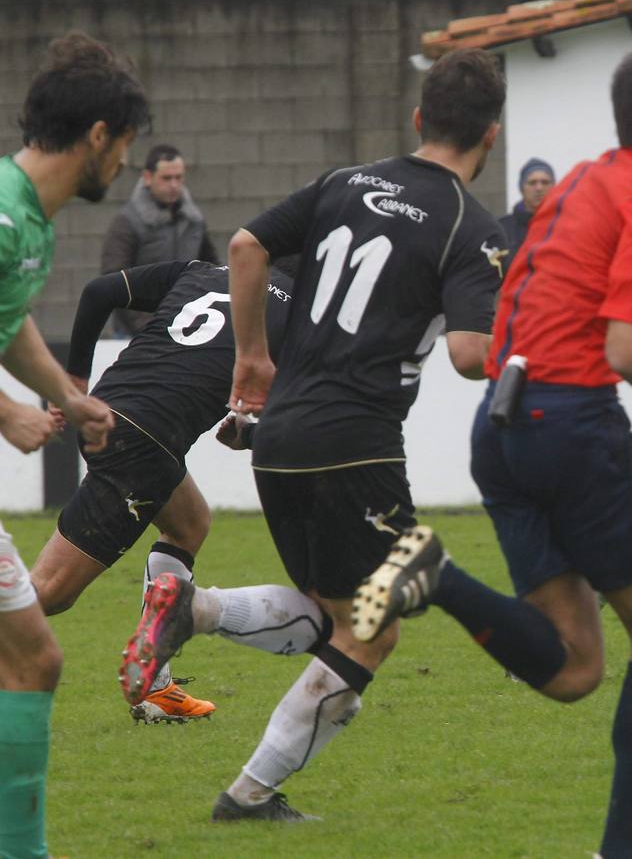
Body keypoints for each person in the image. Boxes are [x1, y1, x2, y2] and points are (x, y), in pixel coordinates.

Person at [349, 38, 632, 859]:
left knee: (576, 669)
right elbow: (626, 349)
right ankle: (624, 849)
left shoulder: (576, 181)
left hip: (501, 427)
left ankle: (432, 573)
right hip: (573, 426)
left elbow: (518, 295)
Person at [117, 47, 510, 822]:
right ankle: (248, 793)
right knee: (373, 631)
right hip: (358, 447)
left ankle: (190, 609)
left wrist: (255, 357)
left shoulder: (344, 182)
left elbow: (243, 246)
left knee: (329, 611)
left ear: (419, 119)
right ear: (491, 138)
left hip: (281, 433)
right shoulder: (473, 225)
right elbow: (470, 357)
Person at [28, 257, 295, 724]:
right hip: (147, 442)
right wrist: (247, 436)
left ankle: (156, 686)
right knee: (49, 593)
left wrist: (72, 382)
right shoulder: (299, 317)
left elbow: (97, 291)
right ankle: (153, 685)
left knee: (189, 523)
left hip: (111, 410)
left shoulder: (202, 270)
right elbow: (302, 410)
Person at [0, 31, 147, 859]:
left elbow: (6, 318)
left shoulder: (30, 223)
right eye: (123, 146)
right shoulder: (1, 212)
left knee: (35, 659)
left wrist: (67, 398)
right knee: (32, 657)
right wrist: (10, 414)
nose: (122, 166)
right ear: (99, 136)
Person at [100, 144, 218, 336]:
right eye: (166, 178)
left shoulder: (194, 219)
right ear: (147, 178)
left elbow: (212, 268)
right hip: (136, 332)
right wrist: (147, 328)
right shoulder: (127, 221)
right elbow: (113, 279)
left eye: (178, 177)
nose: (173, 185)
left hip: (185, 327)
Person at [498, 157, 555, 258]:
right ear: (522, 188)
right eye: (532, 183)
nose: (539, 188)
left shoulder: (564, 226)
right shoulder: (502, 229)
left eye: (545, 182)